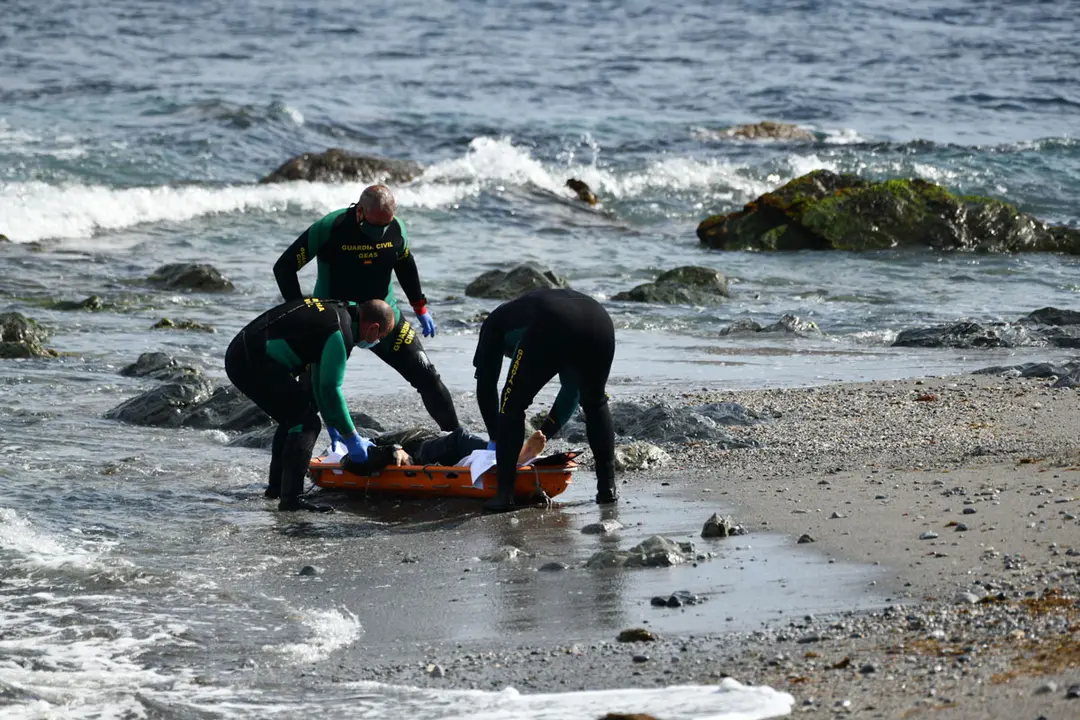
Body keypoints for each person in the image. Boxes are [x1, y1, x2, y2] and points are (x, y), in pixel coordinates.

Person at [272, 184, 459, 431]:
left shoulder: (396, 229)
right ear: (359, 212)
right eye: (375, 226)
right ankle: (302, 458)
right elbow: (284, 267)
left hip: (383, 318)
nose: (381, 233)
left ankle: (457, 439)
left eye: (386, 225)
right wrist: (300, 313)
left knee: (428, 377)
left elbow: (406, 265)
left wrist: (420, 306)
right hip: (333, 323)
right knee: (313, 396)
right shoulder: (330, 228)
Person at [225, 297, 395, 512]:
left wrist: (332, 420)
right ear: (373, 328)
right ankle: (292, 499)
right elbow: (330, 389)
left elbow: (317, 376)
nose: (377, 341)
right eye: (381, 336)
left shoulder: (339, 311)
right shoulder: (340, 333)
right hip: (251, 360)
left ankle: (277, 488)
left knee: (294, 417)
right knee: (306, 422)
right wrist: (351, 437)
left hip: (243, 351)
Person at [472, 288, 617, 513]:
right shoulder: (525, 311)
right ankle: (607, 490)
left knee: (512, 405)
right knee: (595, 401)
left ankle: (504, 496)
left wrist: (496, 440)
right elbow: (572, 394)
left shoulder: (493, 325)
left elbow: (486, 387)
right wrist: (543, 434)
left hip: (554, 322)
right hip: (599, 320)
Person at [344, 427, 547, 475]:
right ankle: (515, 456)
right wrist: (393, 449)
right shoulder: (366, 442)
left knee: (462, 442)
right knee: (459, 439)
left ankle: (508, 454)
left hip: (432, 442)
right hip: (420, 452)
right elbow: (351, 461)